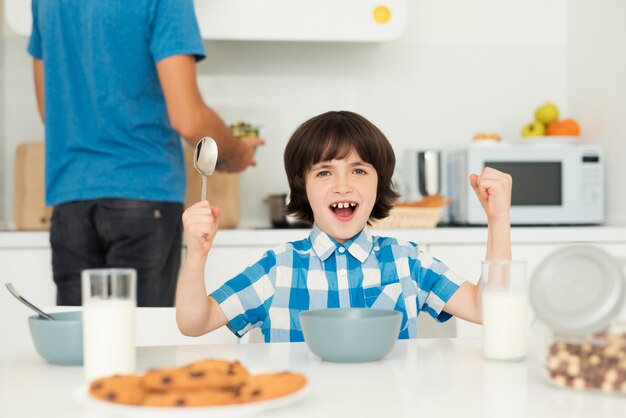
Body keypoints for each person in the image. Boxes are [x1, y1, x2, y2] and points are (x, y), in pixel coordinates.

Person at [176, 111, 512, 342]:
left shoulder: (407, 261)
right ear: (302, 187)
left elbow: (487, 310)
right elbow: (194, 323)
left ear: (379, 184)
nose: (343, 185)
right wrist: (196, 254)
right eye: (324, 172)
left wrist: (498, 220)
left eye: (359, 170)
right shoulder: (277, 269)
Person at [27, 0, 264, 307]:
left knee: (81, 346)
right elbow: (189, 119)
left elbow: (51, 110)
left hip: (71, 199)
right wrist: (235, 154)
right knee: (144, 343)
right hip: (143, 193)